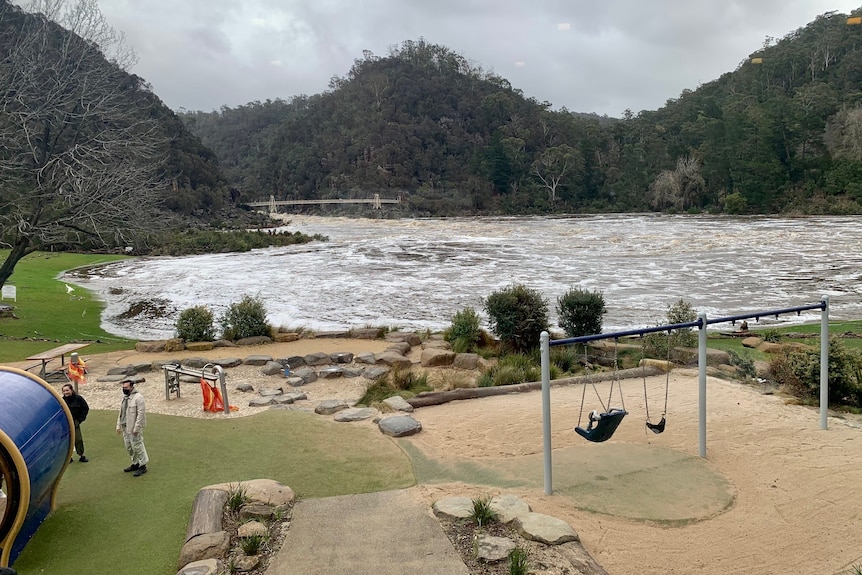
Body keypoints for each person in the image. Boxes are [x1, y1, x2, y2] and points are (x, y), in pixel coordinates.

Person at [116, 379, 148, 477]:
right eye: (123, 388)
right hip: (125, 426)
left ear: (131, 387)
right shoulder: (125, 397)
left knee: (137, 446)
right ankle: (135, 463)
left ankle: (143, 465)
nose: (124, 389)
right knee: (129, 446)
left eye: (126, 387)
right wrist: (118, 425)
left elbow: (141, 414)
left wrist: (136, 428)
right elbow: (121, 412)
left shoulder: (138, 397)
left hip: (133, 427)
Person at [61, 384, 90, 462]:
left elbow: (85, 408)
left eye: (67, 390)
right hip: (65, 423)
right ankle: (69, 457)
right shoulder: (62, 401)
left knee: (78, 439)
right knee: (67, 441)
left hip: (75, 422)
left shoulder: (78, 399)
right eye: (64, 391)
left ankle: (81, 455)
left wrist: (80, 419)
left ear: (71, 390)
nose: (65, 392)